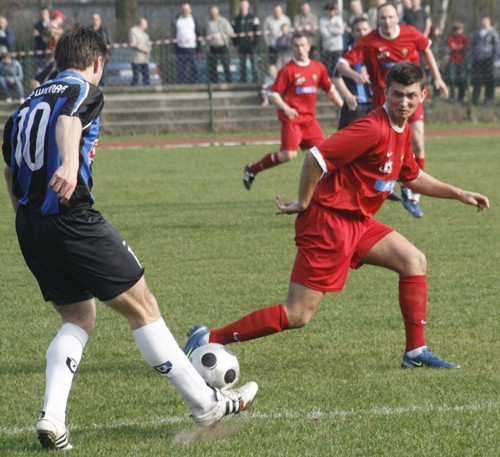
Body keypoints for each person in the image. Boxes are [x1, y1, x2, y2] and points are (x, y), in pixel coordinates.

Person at [2, 26, 258, 451]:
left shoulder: (23, 106)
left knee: (78, 318)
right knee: (143, 306)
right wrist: (67, 164)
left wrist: (32, 223)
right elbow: (69, 121)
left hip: (31, 226)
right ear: (98, 61)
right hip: (73, 218)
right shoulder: (83, 87)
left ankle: (52, 418)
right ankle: (206, 405)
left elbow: (11, 170)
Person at [184, 62, 490, 375]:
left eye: (411, 95)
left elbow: (410, 176)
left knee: (413, 261)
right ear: (385, 92)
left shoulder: (402, 129)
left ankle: (415, 351)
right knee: (297, 314)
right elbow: (315, 157)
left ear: (423, 94)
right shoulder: (372, 127)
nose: (404, 102)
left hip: (357, 223)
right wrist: (304, 201)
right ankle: (207, 338)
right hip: (328, 224)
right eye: (397, 94)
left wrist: (459, 193)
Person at [335, 2, 448, 218]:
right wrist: (355, 74)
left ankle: (412, 194)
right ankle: (380, 187)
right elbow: (341, 65)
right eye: (382, 18)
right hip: (385, 105)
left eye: (390, 17)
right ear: (378, 20)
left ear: (398, 18)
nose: (386, 21)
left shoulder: (411, 34)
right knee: (386, 153)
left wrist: (438, 78)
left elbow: (427, 50)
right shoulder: (369, 41)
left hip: (412, 100)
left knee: (418, 143)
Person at [243, 32, 343, 190]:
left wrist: (343, 107)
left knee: (324, 156)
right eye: (296, 46)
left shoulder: (318, 67)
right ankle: (252, 169)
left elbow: (330, 90)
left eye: (303, 45)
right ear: (291, 48)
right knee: (288, 155)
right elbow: (273, 94)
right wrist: (286, 108)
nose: (300, 49)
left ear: (309, 47)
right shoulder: (288, 70)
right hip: (292, 120)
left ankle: (325, 192)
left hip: (309, 121)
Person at [333, 17, 372, 130]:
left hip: (375, 103)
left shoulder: (377, 49)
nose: (362, 33)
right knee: (343, 143)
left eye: (365, 29)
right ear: (353, 33)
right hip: (355, 104)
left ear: (370, 30)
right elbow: (336, 77)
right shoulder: (348, 52)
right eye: (358, 30)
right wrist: (347, 95)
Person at [470, 15, 499, 105]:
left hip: (488, 59)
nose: (484, 22)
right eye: (483, 20)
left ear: (489, 21)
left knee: (489, 79)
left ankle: (488, 99)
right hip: (477, 59)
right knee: (477, 79)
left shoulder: (493, 32)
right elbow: (473, 44)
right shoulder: (477, 32)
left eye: (486, 20)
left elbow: (497, 45)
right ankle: (475, 99)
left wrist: (495, 57)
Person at [232, 0, 260, 83]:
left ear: (248, 7)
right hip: (241, 45)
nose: (243, 7)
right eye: (242, 6)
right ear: (240, 7)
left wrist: (255, 44)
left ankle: (256, 80)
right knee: (242, 64)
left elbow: (257, 32)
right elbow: (233, 32)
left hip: (251, 45)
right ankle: (243, 81)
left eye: (245, 6)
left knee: (254, 64)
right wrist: (236, 43)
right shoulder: (236, 19)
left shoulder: (253, 17)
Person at [172, 3, 201, 84]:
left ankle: (196, 82)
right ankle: (181, 84)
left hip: (192, 47)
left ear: (190, 10)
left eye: (187, 10)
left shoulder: (194, 19)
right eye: (184, 10)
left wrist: (199, 48)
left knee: (195, 67)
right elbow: (174, 33)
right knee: (180, 68)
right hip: (180, 47)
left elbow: (198, 33)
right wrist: (174, 48)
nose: (185, 11)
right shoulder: (177, 19)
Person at [206, 6, 234, 84]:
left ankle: (229, 82)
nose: (213, 14)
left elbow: (231, 32)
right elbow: (205, 34)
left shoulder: (223, 21)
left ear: (218, 12)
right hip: (212, 47)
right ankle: (214, 83)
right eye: (212, 12)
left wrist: (223, 35)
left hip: (222, 46)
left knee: (226, 65)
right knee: (213, 66)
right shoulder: (208, 22)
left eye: (215, 12)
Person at [319, 3, 345, 76]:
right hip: (327, 48)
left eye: (332, 10)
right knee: (327, 67)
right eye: (329, 10)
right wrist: (334, 30)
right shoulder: (322, 21)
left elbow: (341, 31)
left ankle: (337, 80)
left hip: (337, 47)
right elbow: (324, 34)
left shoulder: (338, 19)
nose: (331, 12)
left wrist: (330, 29)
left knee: (337, 67)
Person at [447, 21, 470, 103]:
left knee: (462, 79)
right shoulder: (450, 37)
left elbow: (467, 47)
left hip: (462, 61)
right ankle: (452, 96)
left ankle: (461, 96)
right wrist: (461, 46)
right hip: (453, 61)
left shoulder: (463, 37)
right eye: (461, 29)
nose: (462, 31)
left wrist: (458, 47)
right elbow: (452, 47)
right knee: (452, 79)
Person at [263, 4, 291, 69]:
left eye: (279, 11)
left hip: (285, 48)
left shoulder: (286, 19)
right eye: (276, 11)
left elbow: (289, 32)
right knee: (273, 65)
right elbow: (265, 33)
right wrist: (269, 44)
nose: (277, 12)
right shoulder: (268, 20)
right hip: (273, 47)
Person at [90, 13, 112, 86]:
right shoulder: (88, 31)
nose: (95, 21)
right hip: (91, 56)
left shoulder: (104, 31)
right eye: (94, 19)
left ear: (100, 21)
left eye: (97, 19)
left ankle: (102, 87)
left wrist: (108, 53)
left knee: (102, 73)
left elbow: (109, 43)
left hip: (102, 56)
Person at [129, 18, 151, 86]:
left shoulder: (145, 34)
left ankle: (147, 91)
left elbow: (148, 44)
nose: (147, 25)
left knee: (146, 76)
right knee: (136, 77)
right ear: (142, 24)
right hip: (137, 59)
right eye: (146, 23)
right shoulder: (133, 31)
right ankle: (133, 91)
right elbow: (134, 44)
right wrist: (144, 50)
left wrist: (149, 48)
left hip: (145, 59)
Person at [33, 7, 52, 73]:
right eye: (42, 13)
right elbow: (36, 37)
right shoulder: (37, 25)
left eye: (45, 13)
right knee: (41, 70)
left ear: (48, 14)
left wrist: (40, 35)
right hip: (41, 50)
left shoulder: (52, 24)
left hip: (51, 50)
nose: (44, 15)